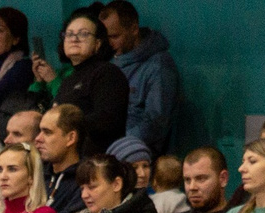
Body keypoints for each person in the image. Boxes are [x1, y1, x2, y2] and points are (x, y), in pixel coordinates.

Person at [34, 12, 126, 156]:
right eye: (69, 34)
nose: (74, 39)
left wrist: (64, 125)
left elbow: (107, 120)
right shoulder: (69, 79)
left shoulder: (107, 72)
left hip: (93, 159)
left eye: (83, 34)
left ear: (98, 43)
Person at [97, 2, 176, 165]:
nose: (109, 43)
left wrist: (117, 145)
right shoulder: (110, 61)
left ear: (134, 29)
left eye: (114, 36)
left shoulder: (158, 65)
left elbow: (156, 122)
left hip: (137, 156)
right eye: (106, 37)